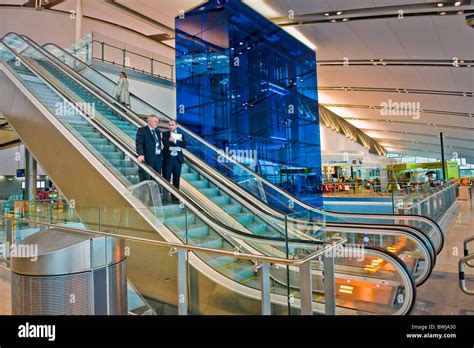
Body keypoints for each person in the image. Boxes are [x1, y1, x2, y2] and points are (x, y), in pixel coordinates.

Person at [136, 115, 163, 181]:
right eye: (155, 121)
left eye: (157, 121)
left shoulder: (158, 132)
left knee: (156, 178)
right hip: (148, 158)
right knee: (146, 177)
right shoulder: (142, 130)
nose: (156, 123)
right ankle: (145, 191)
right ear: (149, 121)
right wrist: (140, 154)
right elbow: (139, 143)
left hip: (157, 159)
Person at [163, 119, 186, 191]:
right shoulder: (165, 134)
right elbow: (166, 143)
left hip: (177, 160)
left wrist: (175, 140)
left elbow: (183, 145)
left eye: (172, 125)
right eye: (169, 125)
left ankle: (175, 199)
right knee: (166, 179)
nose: (170, 126)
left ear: (176, 126)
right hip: (168, 159)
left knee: (176, 179)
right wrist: (177, 143)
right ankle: (165, 198)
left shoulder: (181, 135)